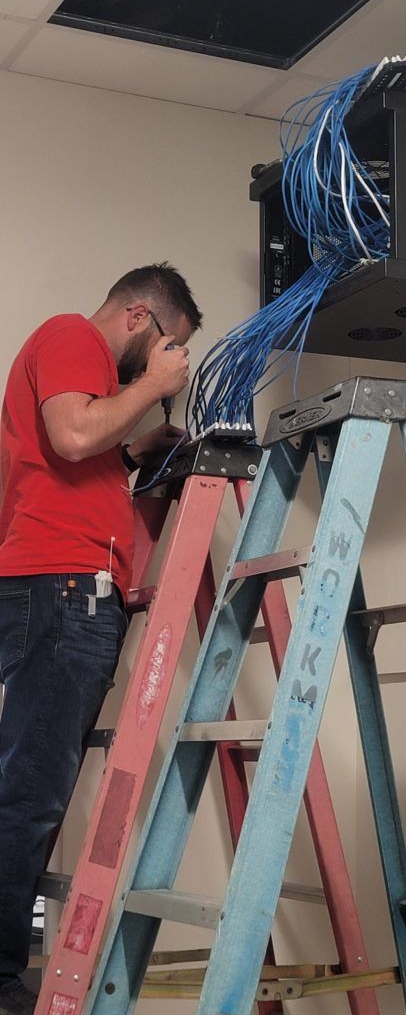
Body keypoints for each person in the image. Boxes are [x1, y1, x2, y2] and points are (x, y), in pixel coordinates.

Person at [0, 263, 203, 1014]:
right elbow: (75, 431)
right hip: (64, 590)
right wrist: (149, 387)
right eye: (167, 348)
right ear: (141, 318)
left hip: (55, 589)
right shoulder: (72, 335)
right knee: (29, 797)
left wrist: (139, 449)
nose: (167, 366)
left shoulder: (75, 360)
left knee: (28, 790)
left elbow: (80, 451)